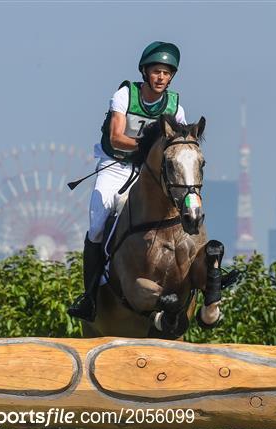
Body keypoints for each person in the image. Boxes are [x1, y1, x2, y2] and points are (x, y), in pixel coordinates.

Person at [68, 41, 187, 321]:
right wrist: (150, 146)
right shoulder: (125, 95)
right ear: (145, 72)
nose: (161, 77)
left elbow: (178, 146)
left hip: (150, 173)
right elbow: (116, 137)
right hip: (116, 165)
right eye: (156, 71)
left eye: (166, 73)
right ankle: (90, 298)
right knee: (98, 225)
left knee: (176, 216)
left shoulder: (176, 107)